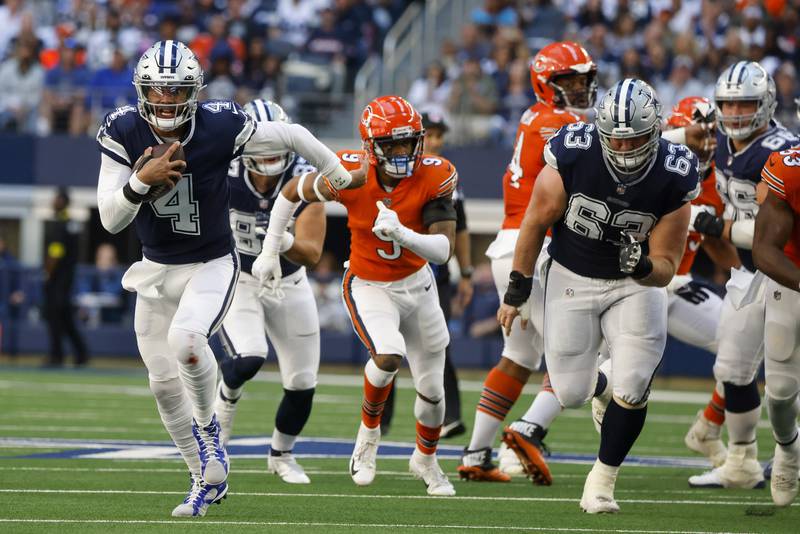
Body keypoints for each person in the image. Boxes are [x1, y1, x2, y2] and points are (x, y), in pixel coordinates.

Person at [95, 40, 355, 517]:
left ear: (194, 92)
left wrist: (337, 171)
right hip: (155, 268)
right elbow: (111, 219)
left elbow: (294, 135)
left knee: (188, 342)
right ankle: (205, 478)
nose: (168, 101)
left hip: (210, 262)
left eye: (177, 91)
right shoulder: (122, 128)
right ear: (142, 90)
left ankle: (211, 434)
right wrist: (139, 182)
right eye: (159, 90)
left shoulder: (219, 124)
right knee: (161, 383)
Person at [498, 79, 698, 513]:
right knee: (569, 393)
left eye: (636, 140)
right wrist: (517, 288)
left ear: (657, 131)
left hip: (634, 286)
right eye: (616, 141)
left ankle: (602, 480)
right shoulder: (575, 149)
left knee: (635, 381)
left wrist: (643, 267)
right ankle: (601, 385)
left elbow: (666, 264)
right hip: (572, 272)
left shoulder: (675, 171)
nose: (624, 151)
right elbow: (534, 220)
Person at [256, 96, 459, 497]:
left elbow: (442, 250)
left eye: (408, 143)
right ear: (371, 146)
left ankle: (426, 459)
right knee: (387, 355)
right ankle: (368, 437)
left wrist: (402, 233)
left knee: (434, 392)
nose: (402, 153)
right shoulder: (349, 172)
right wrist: (269, 248)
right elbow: (292, 192)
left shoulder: (435, 174)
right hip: (369, 284)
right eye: (392, 145)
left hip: (418, 285)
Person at [459, 41, 597, 485]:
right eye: (569, 81)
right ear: (546, 83)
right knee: (579, 351)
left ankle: (477, 454)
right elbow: (612, 147)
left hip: (508, 246)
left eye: (582, 81)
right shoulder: (555, 122)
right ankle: (527, 430)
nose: (578, 89)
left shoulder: (536, 118)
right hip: (530, 250)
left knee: (518, 357)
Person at [687, 61, 800, 490]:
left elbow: (775, 229)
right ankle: (742, 460)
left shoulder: (781, 149)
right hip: (749, 274)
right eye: (728, 104)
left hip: (784, 270)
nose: (734, 113)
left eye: (744, 104)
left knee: (786, 383)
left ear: (766, 103)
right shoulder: (721, 145)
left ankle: (788, 450)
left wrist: (720, 228)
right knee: (732, 368)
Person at [214, 99, 325, 485]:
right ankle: (226, 398)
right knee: (249, 357)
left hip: (289, 280)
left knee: (302, 380)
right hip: (240, 278)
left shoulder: (304, 175)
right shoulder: (222, 171)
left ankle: (281, 454)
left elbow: (311, 252)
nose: (268, 154)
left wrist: (278, 239)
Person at [381, 110, 474, 439]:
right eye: (429, 135)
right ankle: (381, 419)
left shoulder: (446, 176)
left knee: (439, 345)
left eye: (438, 136)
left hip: (435, 276)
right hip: (391, 272)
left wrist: (465, 272)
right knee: (386, 347)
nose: (435, 142)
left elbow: (460, 228)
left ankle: (449, 415)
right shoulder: (389, 171)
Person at [753, 145, 800, 507]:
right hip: (794, 277)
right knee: (781, 391)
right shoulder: (790, 169)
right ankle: (788, 448)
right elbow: (765, 248)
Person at [43, 187, 89, 367]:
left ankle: (57, 356)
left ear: (62, 202)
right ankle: (81, 353)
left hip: (57, 279)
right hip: (67, 279)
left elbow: (55, 252)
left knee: (54, 316)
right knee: (65, 317)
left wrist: (47, 273)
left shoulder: (59, 224)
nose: (53, 202)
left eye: (56, 199)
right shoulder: (71, 224)